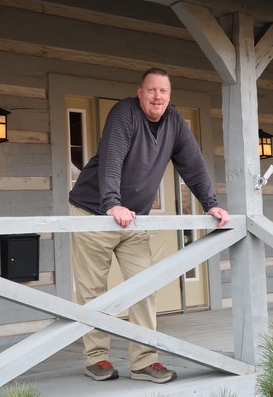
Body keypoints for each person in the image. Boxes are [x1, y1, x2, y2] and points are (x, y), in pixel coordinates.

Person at [68, 67, 230, 384]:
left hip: (135, 219)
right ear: (140, 93)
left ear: (169, 97)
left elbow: (194, 164)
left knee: (144, 287)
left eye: (163, 91)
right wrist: (112, 202)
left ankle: (144, 361)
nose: (157, 96)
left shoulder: (174, 122)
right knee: (93, 291)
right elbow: (113, 156)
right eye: (151, 90)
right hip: (93, 212)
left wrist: (211, 202)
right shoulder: (123, 113)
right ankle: (97, 358)